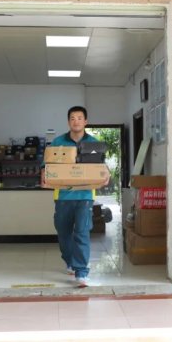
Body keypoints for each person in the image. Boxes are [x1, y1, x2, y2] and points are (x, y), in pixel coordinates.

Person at [41, 106, 108, 287]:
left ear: (85, 121)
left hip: (85, 195)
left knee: (82, 232)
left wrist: (106, 174)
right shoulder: (58, 142)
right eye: (72, 118)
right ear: (68, 122)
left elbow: (101, 165)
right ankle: (70, 260)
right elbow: (46, 163)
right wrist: (44, 174)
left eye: (79, 118)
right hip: (63, 195)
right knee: (63, 232)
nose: (76, 121)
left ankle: (81, 272)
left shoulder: (93, 143)